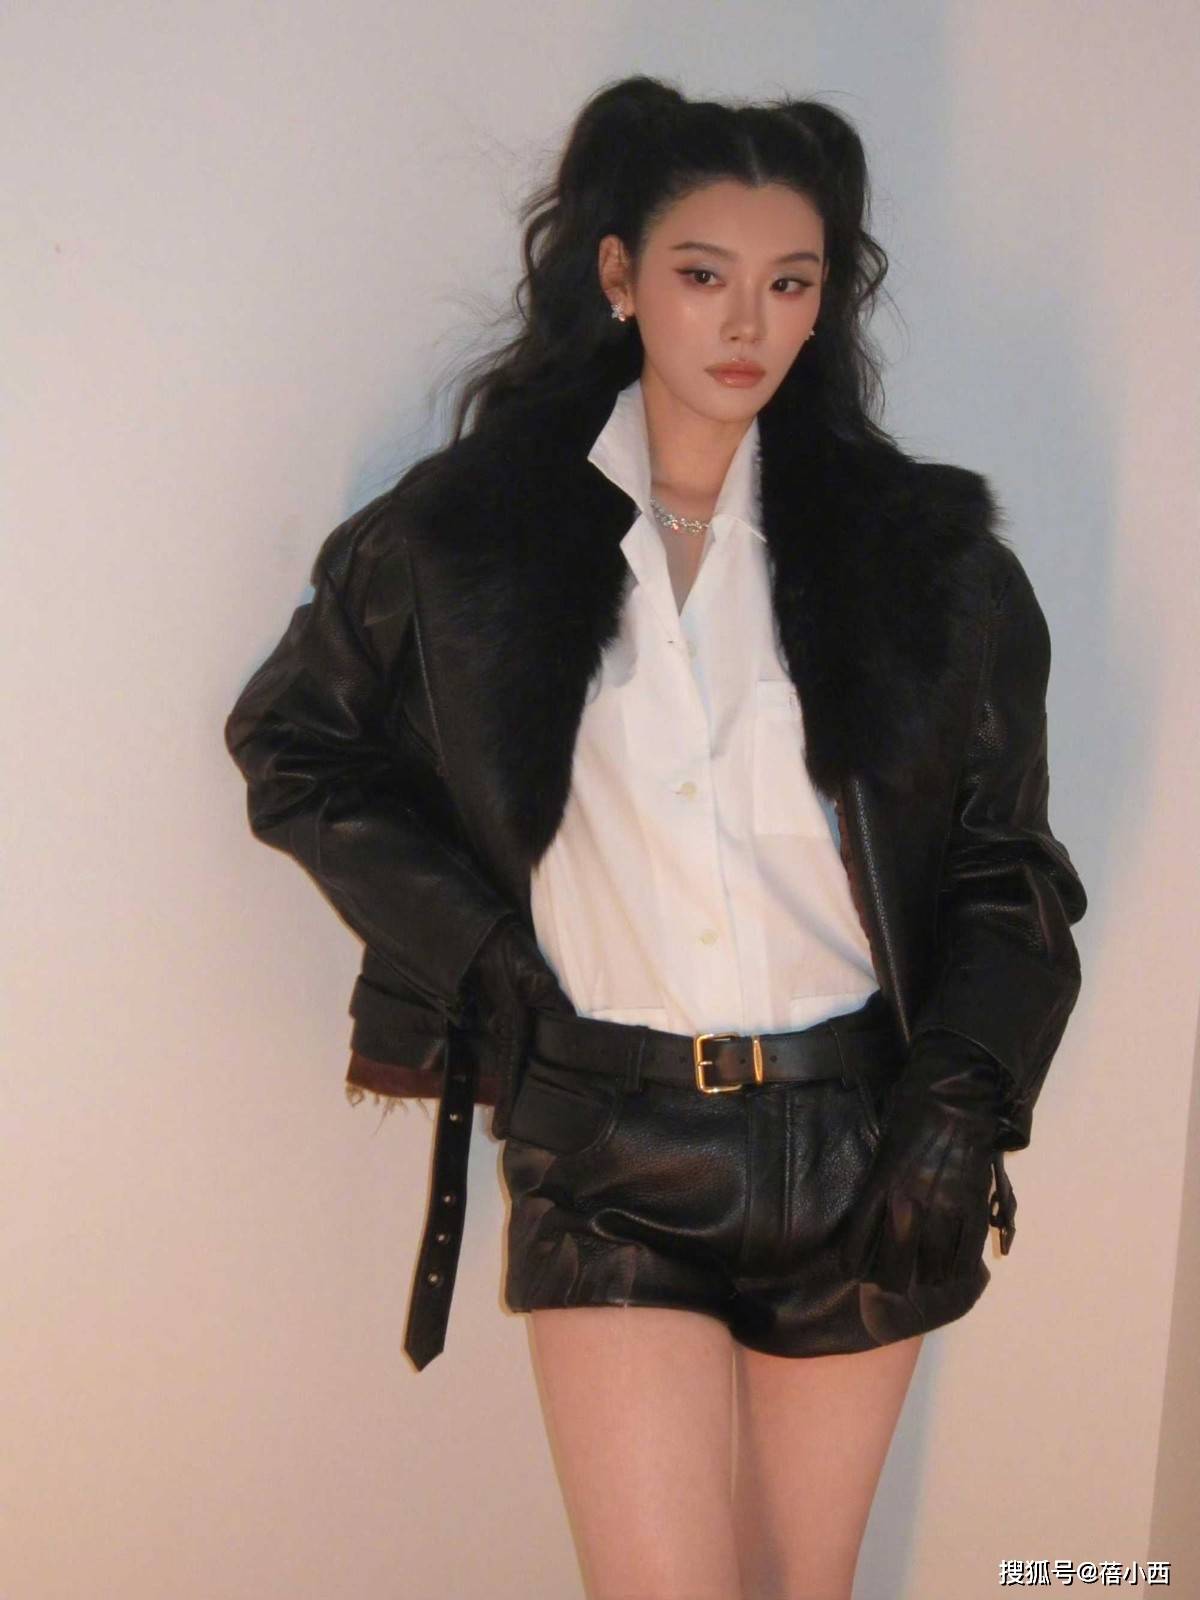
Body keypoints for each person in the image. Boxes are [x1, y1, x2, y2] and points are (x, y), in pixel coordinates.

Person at [224, 74, 1087, 1600]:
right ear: (620, 276)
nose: (747, 321)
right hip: (607, 1146)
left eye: (791, 282)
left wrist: (960, 1110)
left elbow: (1006, 871)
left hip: (862, 1140)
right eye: (704, 274)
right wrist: (477, 951)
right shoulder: (475, 538)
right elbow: (294, 743)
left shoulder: (924, 564)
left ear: (826, 302)